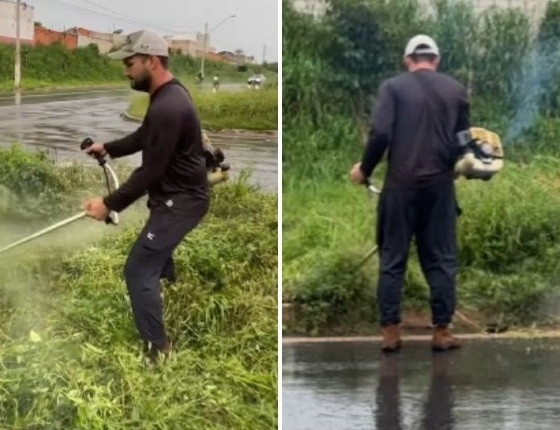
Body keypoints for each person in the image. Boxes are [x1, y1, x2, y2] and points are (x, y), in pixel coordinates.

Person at [82, 30, 210, 363]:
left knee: (138, 270)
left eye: (130, 63)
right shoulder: (169, 94)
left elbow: (150, 172)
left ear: (151, 61)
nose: (126, 71)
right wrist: (108, 148)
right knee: (155, 257)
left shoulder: (168, 105)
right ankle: (170, 291)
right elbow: (145, 135)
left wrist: (108, 204)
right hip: (173, 198)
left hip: (180, 202)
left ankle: (159, 352)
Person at [349, 35, 469, 353]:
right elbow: (463, 142)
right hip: (440, 189)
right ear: (436, 60)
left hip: (400, 188)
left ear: (408, 60)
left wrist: (365, 169)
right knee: (441, 260)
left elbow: (381, 133)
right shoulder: (456, 90)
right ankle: (442, 332)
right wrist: (455, 164)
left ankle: (391, 332)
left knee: (392, 260)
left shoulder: (393, 88)